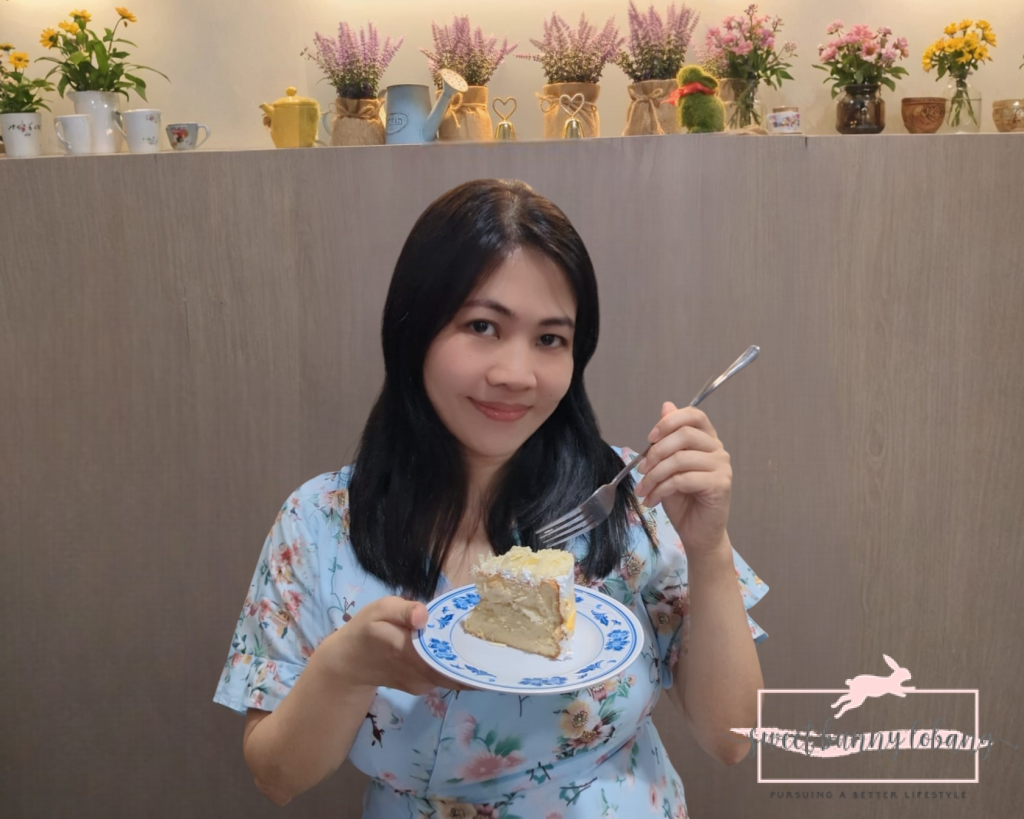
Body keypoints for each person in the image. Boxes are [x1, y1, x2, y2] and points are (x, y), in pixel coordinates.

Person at [213, 178, 769, 817]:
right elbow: (277, 777)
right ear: (413, 330)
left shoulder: (627, 490)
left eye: (549, 339)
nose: (515, 374)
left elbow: (733, 739)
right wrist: (343, 669)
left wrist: (708, 545)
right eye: (482, 326)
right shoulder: (318, 522)